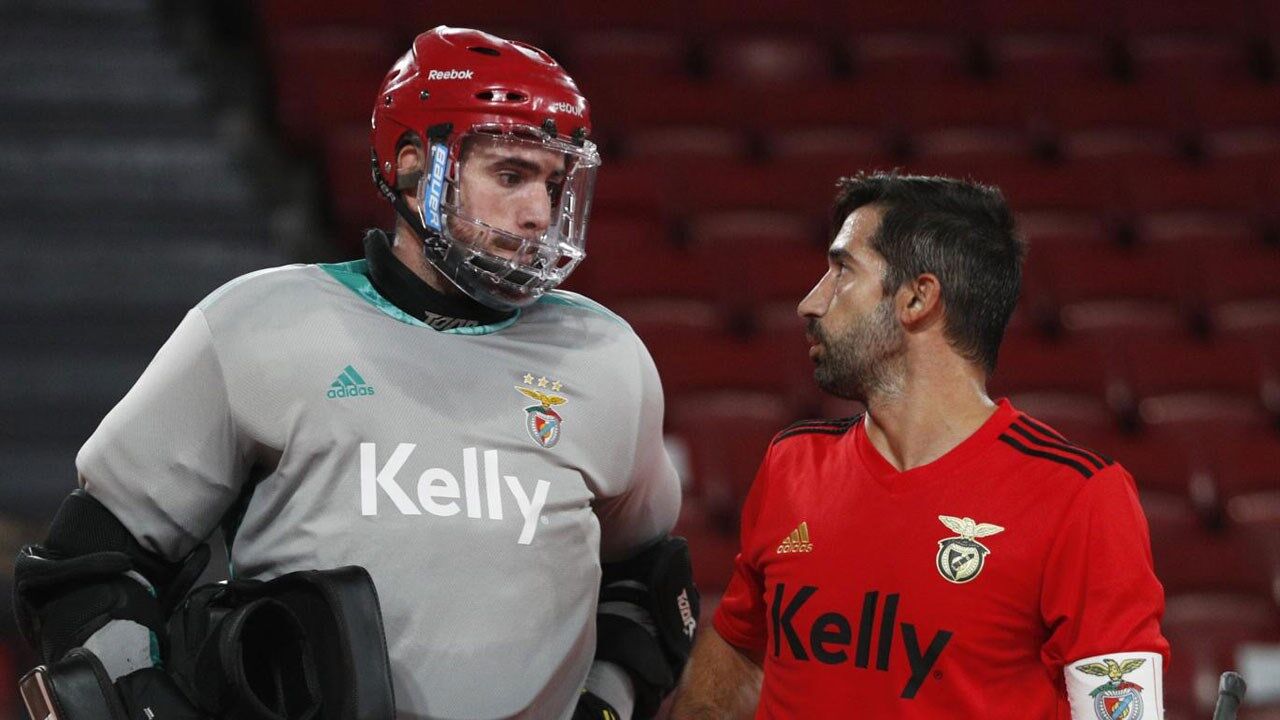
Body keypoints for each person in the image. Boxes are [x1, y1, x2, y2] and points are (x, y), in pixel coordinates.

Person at [14, 27, 690, 720]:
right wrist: (139, 697)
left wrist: (608, 704)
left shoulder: (606, 357)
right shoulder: (258, 323)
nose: (540, 214)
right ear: (410, 166)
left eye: (553, 182)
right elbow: (90, 561)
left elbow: (648, 579)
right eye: (511, 175)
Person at [671, 172, 1170, 719]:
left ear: (917, 298)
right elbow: (743, 642)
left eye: (842, 270)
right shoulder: (792, 462)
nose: (810, 304)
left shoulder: (1079, 497)